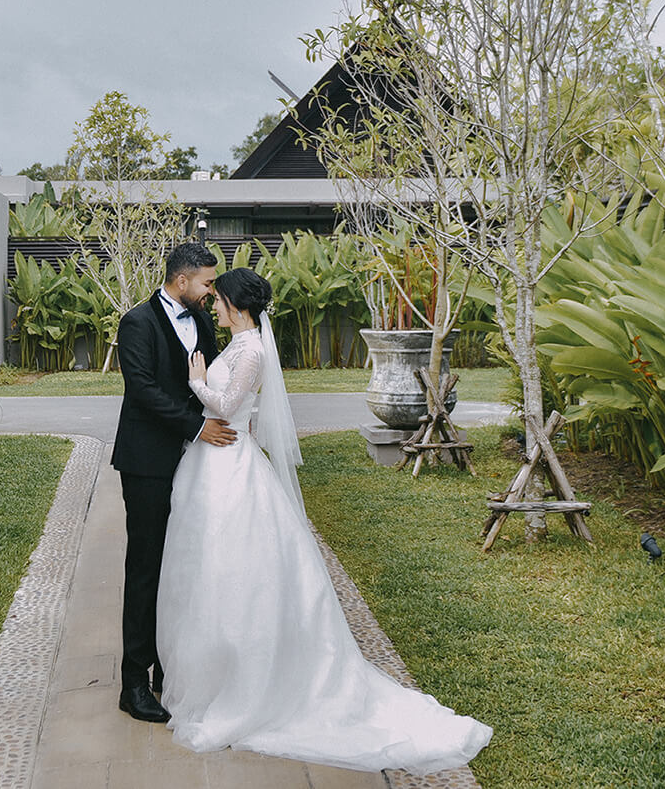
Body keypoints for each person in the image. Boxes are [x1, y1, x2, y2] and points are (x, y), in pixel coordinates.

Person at [156, 267, 493, 773]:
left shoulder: (252, 351)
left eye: (219, 299)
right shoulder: (237, 343)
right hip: (214, 463)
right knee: (209, 569)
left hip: (232, 461)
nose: (214, 305)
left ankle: (249, 684)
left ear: (238, 305)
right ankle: (214, 673)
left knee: (237, 569)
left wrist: (197, 383)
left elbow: (226, 405)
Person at [110, 241, 239, 723]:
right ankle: (133, 684)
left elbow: (201, 381)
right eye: (207, 283)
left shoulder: (202, 320)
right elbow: (141, 391)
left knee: (180, 565)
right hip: (147, 461)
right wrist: (195, 427)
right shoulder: (137, 322)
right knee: (145, 567)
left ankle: (170, 668)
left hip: (196, 462)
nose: (212, 292)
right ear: (181, 281)